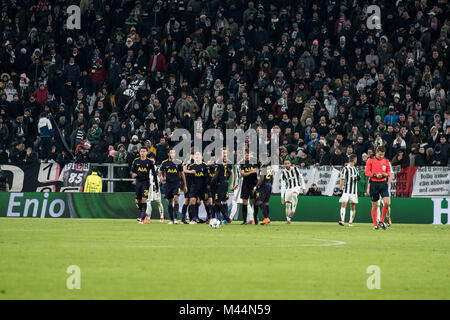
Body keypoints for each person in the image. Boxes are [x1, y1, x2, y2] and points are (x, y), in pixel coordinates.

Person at [364, 145, 391, 230]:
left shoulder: (386, 161)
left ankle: (382, 221)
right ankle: (375, 225)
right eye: (380, 154)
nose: (381, 156)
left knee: (387, 203)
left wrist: (385, 174)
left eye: (383, 154)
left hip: (383, 183)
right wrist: (375, 175)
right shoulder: (370, 160)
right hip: (374, 184)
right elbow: (367, 172)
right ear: (376, 152)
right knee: (375, 205)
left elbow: (389, 172)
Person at [131, 147, 159, 224]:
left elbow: (154, 174)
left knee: (144, 199)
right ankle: (143, 214)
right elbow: (132, 171)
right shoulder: (136, 161)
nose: (142, 153)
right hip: (138, 183)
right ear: (140, 152)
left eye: (144, 151)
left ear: (147, 152)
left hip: (146, 183)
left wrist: (156, 187)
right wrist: (133, 174)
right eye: (141, 151)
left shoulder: (149, 162)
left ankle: (142, 218)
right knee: (137, 201)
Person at [159, 149, 186, 224]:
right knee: (170, 202)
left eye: (174, 152)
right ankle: (171, 219)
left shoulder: (179, 162)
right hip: (168, 184)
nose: (172, 154)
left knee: (176, 199)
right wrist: (160, 178)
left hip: (177, 184)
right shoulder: (164, 163)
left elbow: (183, 174)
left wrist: (185, 185)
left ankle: (175, 218)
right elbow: (160, 172)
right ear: (169, 154)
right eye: (171, 152)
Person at [280, 158, 307, 224]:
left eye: (288, 163)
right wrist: (282, 196)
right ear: (284, 164)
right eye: (285, 164)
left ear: (290, 164)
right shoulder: (283, 173)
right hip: (288, 189)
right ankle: (288, 220)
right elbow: (283, 185)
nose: (287, 165)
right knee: (287, 205)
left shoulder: (295, 169)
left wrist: (304, 188)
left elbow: (301, 178)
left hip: (296, 187)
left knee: (294, 195)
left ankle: (293, 211)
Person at [185, 151, 209, 224]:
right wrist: (190, 172)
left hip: (203, 187)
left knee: (206, 203)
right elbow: (187, 176)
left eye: (198, 155)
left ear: (202, 157)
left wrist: (207, 187)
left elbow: (207, 177)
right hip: (194, 186)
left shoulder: (205, 166)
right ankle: (194, 219)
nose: (197, 156)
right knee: (192, 200)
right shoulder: (191, 166)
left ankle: (209, 217)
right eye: (196, 155)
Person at [213, 147, 234, 224]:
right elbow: (216, 174)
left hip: (224, 184)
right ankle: (221, 218)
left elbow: (232, 173)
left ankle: (225, 218)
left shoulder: (229, 162)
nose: (224, 154)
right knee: (217, 201)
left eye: (225, 153)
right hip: (218, 184)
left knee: (224, 201)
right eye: (223, 152)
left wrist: (231, 184)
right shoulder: (218, 161)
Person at [338, 154, 360, 227]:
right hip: (346, 190)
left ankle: (350, 222)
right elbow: (342, 178)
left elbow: (358, 178)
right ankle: (342, 220)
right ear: (354, 160)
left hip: (354, 191)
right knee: (344, 204)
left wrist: (358, 178)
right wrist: (341, 189)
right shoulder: (345, 169)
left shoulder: (355, 169)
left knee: (352, 206)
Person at [239, 150, 259, 225]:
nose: (247, 156)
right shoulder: (242, 163)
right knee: (245, 201)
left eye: (248, 154)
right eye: (245, 154)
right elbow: (242, 174)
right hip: (246, 184)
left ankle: (256, 218)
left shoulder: (255, 162)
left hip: (254, 184)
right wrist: (251, 172)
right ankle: (244, 221)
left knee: (255, 201)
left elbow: (257, 170)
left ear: (250, 154)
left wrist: (251, 172)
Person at [146, 155, 165, 223]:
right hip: (148, 187)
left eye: (153, 160)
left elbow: (160, 178)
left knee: (158, 202)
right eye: (150, 160)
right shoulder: (147, 168)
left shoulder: (157, 169)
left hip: (155, 187)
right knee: (148, 202)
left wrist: (160, 179)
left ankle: (162, 216)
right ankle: (148, 218)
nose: (152, 161)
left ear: (154, 161)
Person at [255, 160, 274, 226]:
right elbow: (272, 177)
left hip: (263, 186)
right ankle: (266, 220)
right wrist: (270, 185)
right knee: (266, 203)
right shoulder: (269, 167)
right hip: (269, 185)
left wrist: (256, 186)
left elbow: (261, 178)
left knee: (259, 202)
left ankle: (266, 218)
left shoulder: (262, 167)